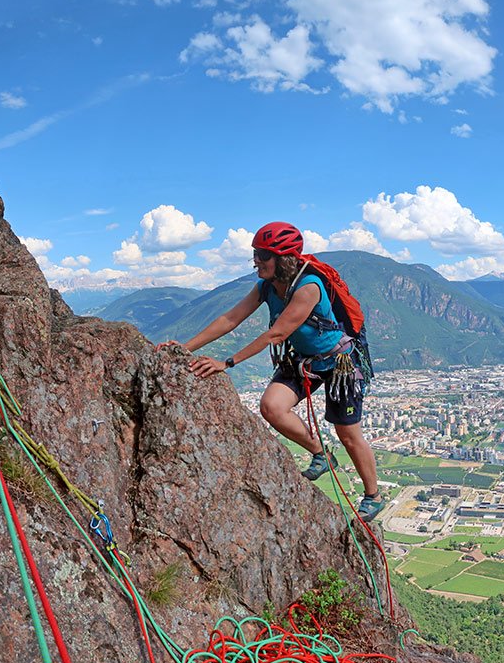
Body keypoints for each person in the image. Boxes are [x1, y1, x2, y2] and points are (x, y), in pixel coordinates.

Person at [160, 221, 385, 522]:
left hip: (339, 362)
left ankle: (373, 496)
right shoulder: (266, 287)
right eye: (255, 253)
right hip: (305, 360)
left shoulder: (308, 287)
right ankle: (321, 454)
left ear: (284, 258)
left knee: (348, 432)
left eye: (263, 255)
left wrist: (227, 363)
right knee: (272, 407)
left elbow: (277, 334)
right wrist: (186, 348)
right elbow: (231, 319)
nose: (256, 260)